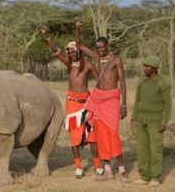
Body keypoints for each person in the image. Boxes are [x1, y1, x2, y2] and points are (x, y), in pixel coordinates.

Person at [41, 24, 102, 178]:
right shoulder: (68, 64)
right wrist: (46, 35)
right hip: (73, 104)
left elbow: (99, 81)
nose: (71, 54)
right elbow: (55, 50)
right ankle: (78, 167)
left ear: (79, 51)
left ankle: (97, 166)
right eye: (69, 52)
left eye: (74, 51)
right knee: (75, 136)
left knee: (92, 136)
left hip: (87, 103)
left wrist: (77, 29)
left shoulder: (88, 65)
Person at [75, 22, 129, 182]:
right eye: (97, 47)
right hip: (98, 100)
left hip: (111, 100)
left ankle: (122, 170)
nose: (99, 50)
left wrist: (124, 105)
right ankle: (107, 170)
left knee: (113, 135)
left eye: (102, 47)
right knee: (101, 136)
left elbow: (123, 82)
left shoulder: (116, 60)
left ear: (107, 45)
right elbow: (78, 45)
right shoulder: (98, 58)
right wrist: (78, 28)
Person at [131, 55, 172, 187]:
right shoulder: (142, 81)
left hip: (156, 122)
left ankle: (155, 177)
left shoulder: (162, 83)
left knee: (155, 150)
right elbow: (137, 100)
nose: (145, 68)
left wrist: (164, 122)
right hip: (142, 120)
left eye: (147, 66)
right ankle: (144, 176)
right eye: (144, 66)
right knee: (142, 149)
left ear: (154, 69)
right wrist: (133, 117)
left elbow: (168, 105)